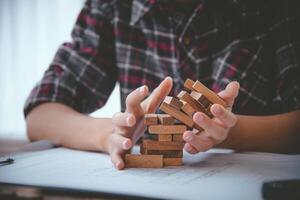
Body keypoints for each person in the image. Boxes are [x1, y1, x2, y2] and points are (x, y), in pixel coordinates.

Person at [24, 0, 300, 170]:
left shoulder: (275, 6)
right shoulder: (110, 6)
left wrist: (231, 131)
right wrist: (108, 134)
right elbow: (41, 116)